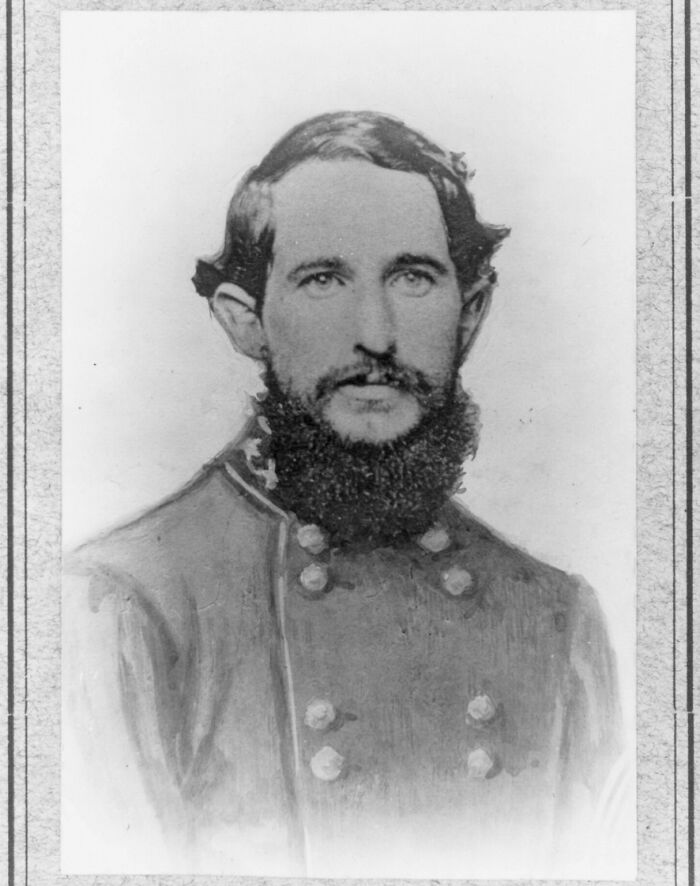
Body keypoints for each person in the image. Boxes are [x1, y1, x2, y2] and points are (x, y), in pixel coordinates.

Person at [63, 111, 626, 878]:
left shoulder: (559, 620)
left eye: (413, 277)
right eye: (323, 279)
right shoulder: (119, 603)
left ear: (471, 312)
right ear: (244, 320)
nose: (376, 333)